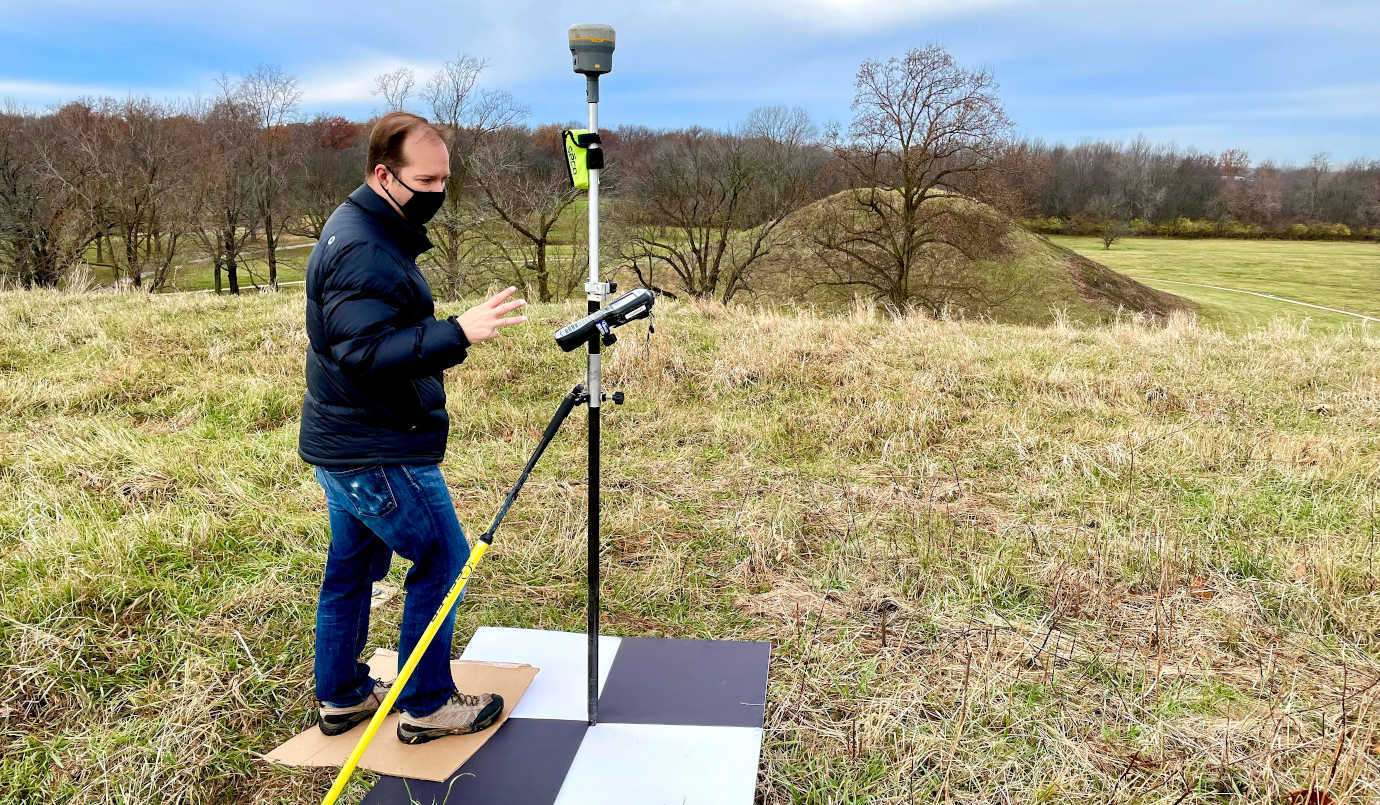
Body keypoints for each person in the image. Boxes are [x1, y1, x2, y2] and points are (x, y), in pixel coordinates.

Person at [297, 111, 527, 744]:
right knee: (444, 556)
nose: (437, 192)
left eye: (444, 179)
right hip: (376, 449)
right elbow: (362, 352)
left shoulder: (370, 229)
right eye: (426, 179)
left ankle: (342, 697)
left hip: (346, 441)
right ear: (383, 174)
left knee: (349, 565)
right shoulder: (366, 249)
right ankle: (427, 704)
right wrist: (458, 331)